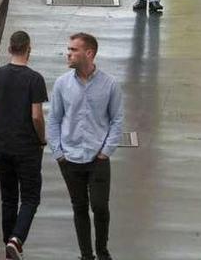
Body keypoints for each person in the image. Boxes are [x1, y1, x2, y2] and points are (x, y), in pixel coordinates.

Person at [47, 33, 125, 260]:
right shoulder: (62, 83)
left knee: (100, 207)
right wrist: (58, 153)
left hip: (97, 158)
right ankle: (86, 255)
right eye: (68, 49)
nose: (68, 54)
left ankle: (102, 251)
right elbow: (54, 119)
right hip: (69, 159)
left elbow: (117, 120)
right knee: (79, 208)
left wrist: (105, 151)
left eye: (73, 50)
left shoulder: (109, 84)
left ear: (89, 53)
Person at [0, 31, 48, 260]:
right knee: (30, 197)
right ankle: (17, 239)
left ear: (10, 49)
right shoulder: (35, 79)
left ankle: (7, 242)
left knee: (8, 196)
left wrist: (0, 131)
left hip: (2, 146)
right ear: (28, 49)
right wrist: (41, 138)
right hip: (27, 148)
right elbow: (36, 117)